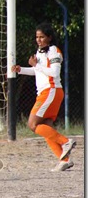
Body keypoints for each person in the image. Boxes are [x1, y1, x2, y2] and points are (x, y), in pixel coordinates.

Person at [11, 23, 76, 171]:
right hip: (46, 92)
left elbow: (53, 73)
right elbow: (38, 72)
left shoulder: (54, 51)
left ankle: (65, 141)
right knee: (46, 127)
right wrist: (21, 70)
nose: (38, 40)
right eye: (37, 37)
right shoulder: (40, 52)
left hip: (51, 91)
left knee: (32, 124)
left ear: (49, 37)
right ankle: (64, 159)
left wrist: (36, 65)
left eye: (42, 37)